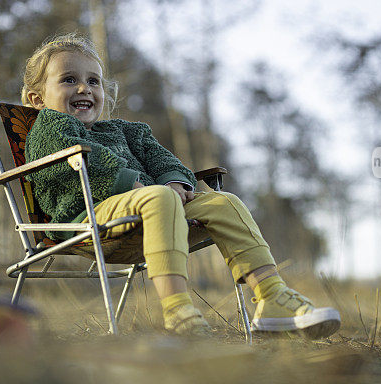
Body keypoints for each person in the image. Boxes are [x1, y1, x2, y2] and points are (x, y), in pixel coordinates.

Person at [21, 33, 340, 338]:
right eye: (68, 80)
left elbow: (163, 160)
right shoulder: (51, 128)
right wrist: (139, 185)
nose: (84, 88)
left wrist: (174, 180)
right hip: (86, 217)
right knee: (158, 196)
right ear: (38, 98)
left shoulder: (128, 132)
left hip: (149, 210)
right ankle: (177, 310)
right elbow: (84, 163)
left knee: (222, 202)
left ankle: (273, 296)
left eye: (93, 81)